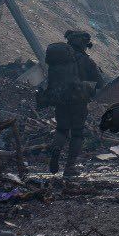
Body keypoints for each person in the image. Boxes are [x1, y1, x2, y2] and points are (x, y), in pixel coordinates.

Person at [40, 30, 101, 178]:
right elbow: (100, 82)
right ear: (84, 43)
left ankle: (55, 150)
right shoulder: (86, 61)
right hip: (78, 102)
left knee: (61, 130)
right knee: (77, 133)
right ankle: (69, 167)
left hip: (60, 100)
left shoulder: (57, 60)